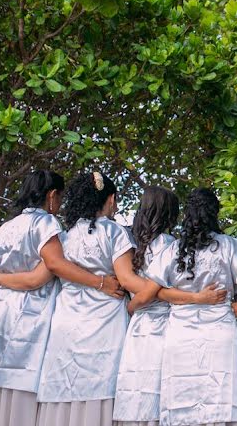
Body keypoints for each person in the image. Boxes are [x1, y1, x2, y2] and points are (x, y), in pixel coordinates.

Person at [0, 170, 118, 426]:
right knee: (18, 392)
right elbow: (45, 272)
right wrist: (101, 282)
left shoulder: (7, 227)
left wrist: (2, 284)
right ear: (52, 196)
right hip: (29, 318)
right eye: (60, 198)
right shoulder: (46, 224)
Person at [132, 187, 237, 426]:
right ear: (214, 213)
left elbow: (153, 292)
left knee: (181, 404)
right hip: (219, 336)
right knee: (217, 404)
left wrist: (130, 308)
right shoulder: (228, 245)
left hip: (180, 336)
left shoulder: (173, 250)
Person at [36, 171, 154, 426]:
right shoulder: (113, 232)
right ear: (110, 200)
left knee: (65, 385)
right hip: (104, 322)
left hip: (66, 321)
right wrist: (163, 291)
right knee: (101, 385)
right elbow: (127, 279)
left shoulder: (65, 236)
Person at [113, 186, 228, 426]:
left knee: (137, 392)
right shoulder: (169, 244)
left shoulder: (135, 242)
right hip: (162, 325)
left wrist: (132, 307)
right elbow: (154, 291)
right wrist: (197, 298)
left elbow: (142, 290)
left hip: (139, 326)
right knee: (159, 394)